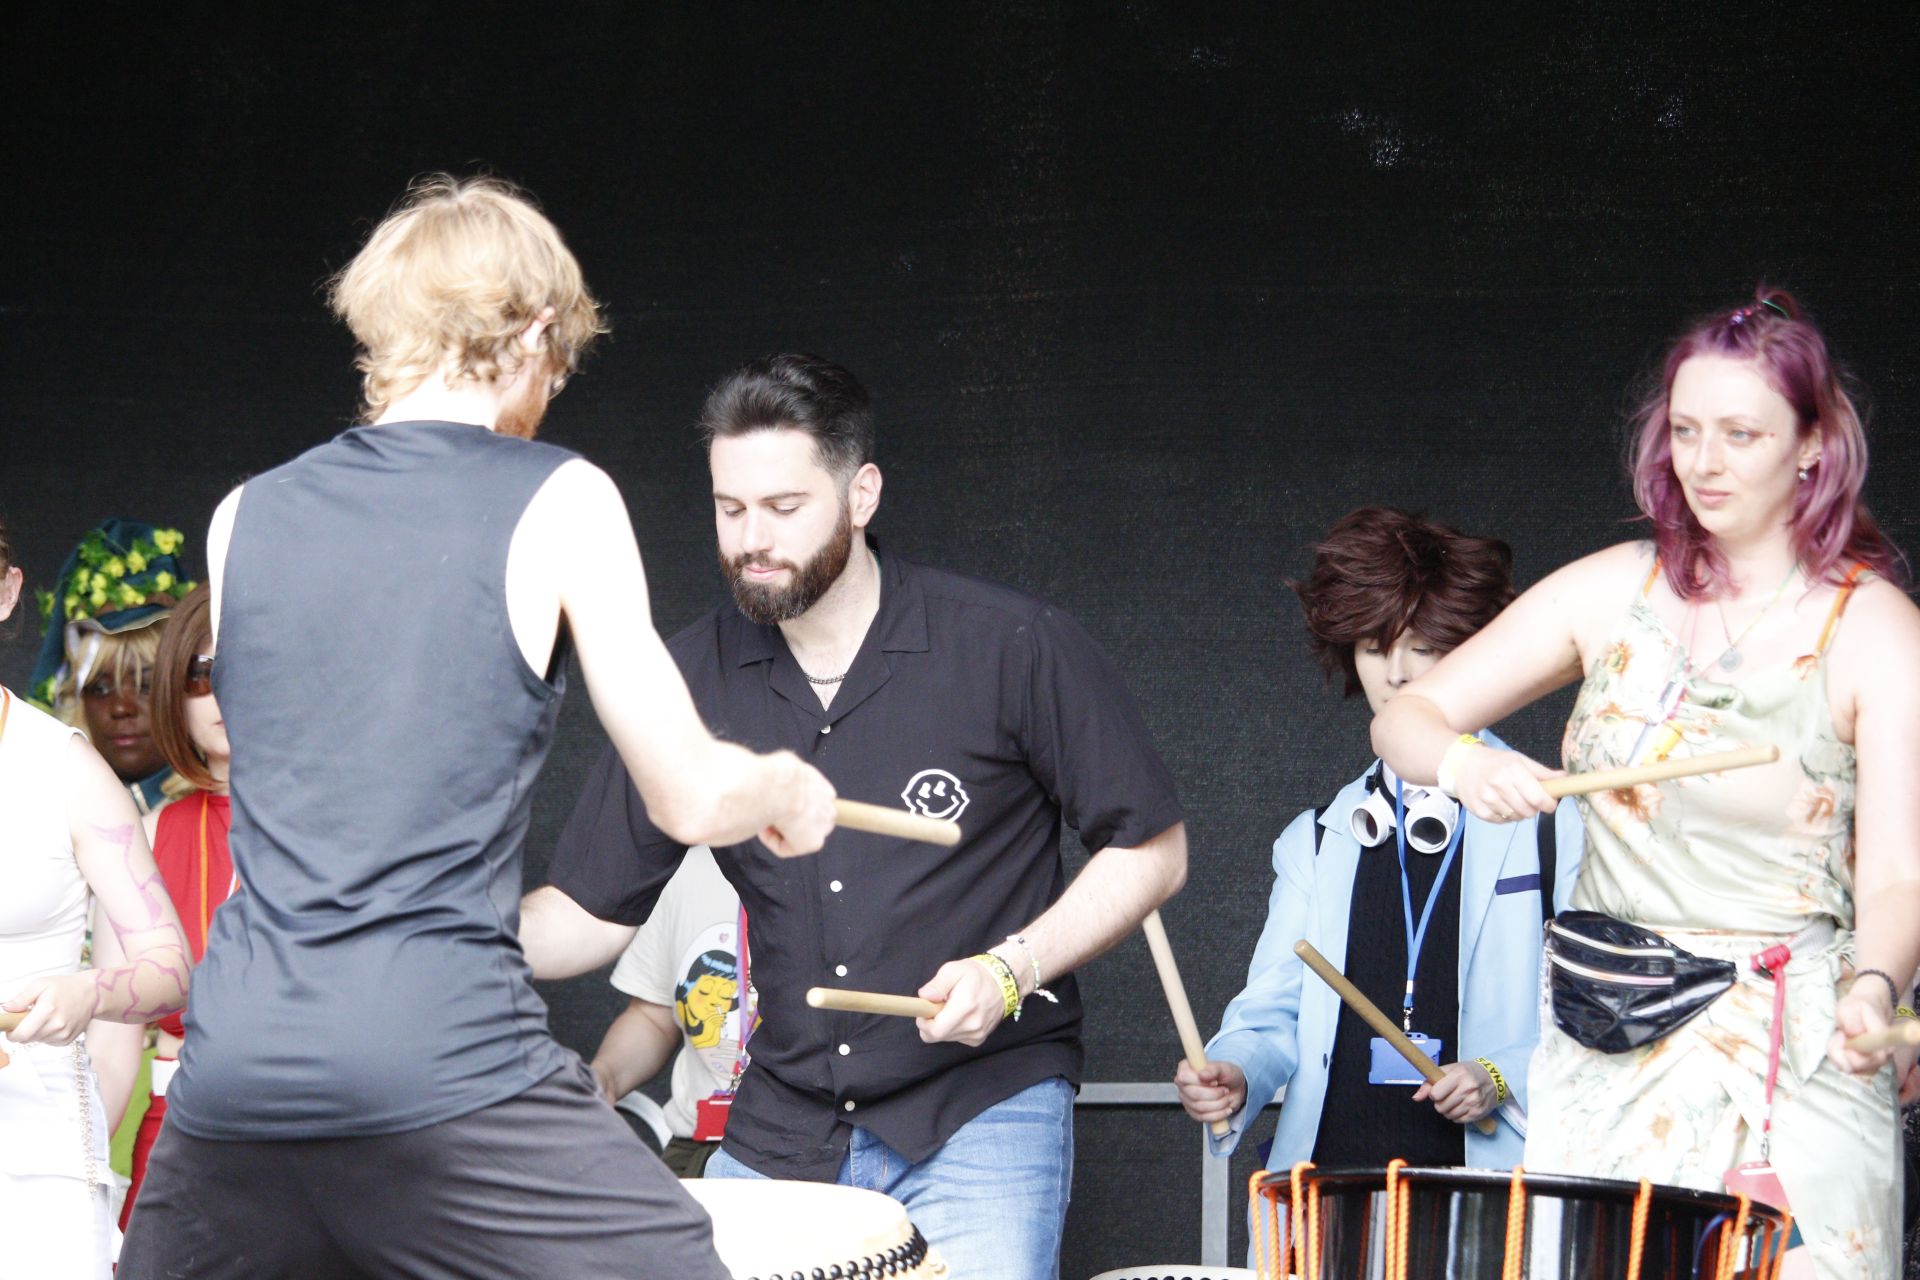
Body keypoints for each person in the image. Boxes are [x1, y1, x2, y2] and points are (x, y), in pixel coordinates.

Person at [119, 175, 837, 1280]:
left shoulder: (242, 515)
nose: (551, 390)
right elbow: (690, 795)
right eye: (558, 364)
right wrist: (786, 786)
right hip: (442, 1054)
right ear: (536, 332)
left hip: (241, 1064)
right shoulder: (560, 496)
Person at [520, 353, 1189, 1280]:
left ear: (861, 493)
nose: (752, 539)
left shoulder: (1012, 644)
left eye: (783, 507)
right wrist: (424, 924)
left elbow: (1153, 849)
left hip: (979, 1107)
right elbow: (584, 916)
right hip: (785, 1119)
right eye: (730, 509)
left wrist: (1012, 969)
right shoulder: (687, 679)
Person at [1371, 289, 1919, 1279]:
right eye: (1686, 430)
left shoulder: (1874, 628)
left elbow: (1895, 876)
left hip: (1795, 1046)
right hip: (1611, 1037)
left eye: (1741, 434)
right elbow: (1406, 718)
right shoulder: (1613, 588)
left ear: (1812, 444)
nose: (1703, 461)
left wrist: (1877, 986)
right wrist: (1465, 761)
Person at [1176, 507, 1583, 1180]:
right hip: (1330, 1190)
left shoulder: (1554, 820)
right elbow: (1273, 1007)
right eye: (1372, 647)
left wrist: (1500, 1075)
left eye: (1422, 647)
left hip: (1494, 1192)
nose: (1396, 674)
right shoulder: (1314, 839)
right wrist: (1236, 1070)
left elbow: (1599, 1015)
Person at [0, 517, 193, 1279]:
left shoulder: (66, 770)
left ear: (7, 591)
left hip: (29, 1149)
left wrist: (87, 993)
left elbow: (169, 965)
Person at [112, 585, 234, 1229]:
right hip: (178, 1140)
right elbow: (113, 1046)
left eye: (251, 663)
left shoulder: (357, 830)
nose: (225, 689)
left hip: (325, 1145)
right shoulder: (153, 833)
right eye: (202, 672)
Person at [588, 846, 746, 1177]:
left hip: (811, 1155)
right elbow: (653, 1018)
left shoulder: (851, 873)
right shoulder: (688, 867)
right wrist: (603, 1078)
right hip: (698, 1146)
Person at [30, 519, 197, 814]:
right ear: (75, 700)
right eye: (100, 688)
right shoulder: (42, 818)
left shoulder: (227, 817)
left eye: (146, 685)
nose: (121, 708)